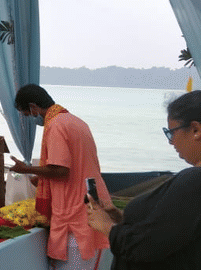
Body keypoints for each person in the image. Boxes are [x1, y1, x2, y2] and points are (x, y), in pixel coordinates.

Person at [86, 90, 201, 270]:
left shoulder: (194, 180)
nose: (171, 143)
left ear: (195, 130)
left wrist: (107, 227)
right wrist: (121, 218)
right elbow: (176, 228)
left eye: (171, 133)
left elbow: (148, 246)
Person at [10, 84, 111, 269]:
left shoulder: (55, 125)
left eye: (27, 114)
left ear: (33, 107)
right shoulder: (76, 121)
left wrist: (27, 169)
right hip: (93, 205)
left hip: (75, 214)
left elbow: (61, 170)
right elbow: (79, 165)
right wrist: (42, 180)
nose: (31, 118)